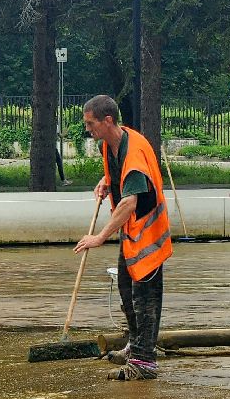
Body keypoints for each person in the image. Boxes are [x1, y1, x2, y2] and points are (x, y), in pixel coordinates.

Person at [74, 94, 172, 381]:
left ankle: (144, 362)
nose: (88, 129)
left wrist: (99, 237)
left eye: (91, 123)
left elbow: (129, 202)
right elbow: (122, 180)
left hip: (148, 235)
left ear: (108, 120)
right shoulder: (111, 145)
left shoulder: (134, 152)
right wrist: (108, 181)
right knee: (127, 291)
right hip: (132, 233)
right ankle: (135, 344)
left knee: (146, 298)